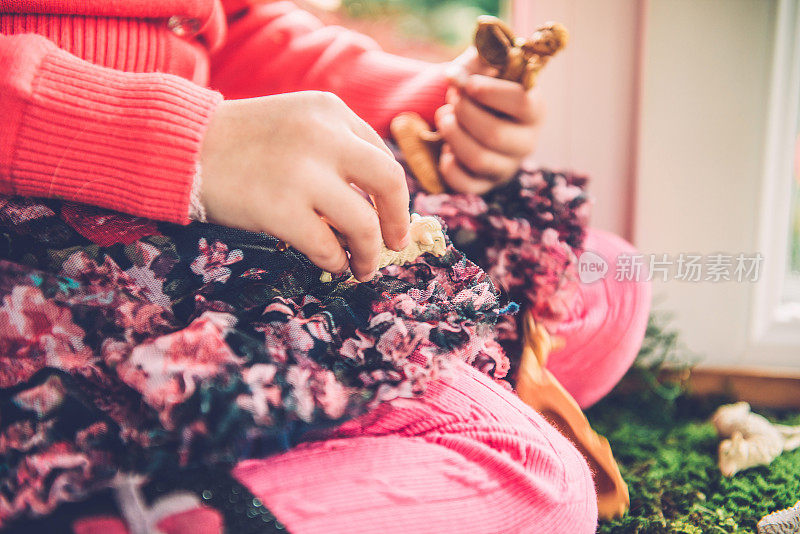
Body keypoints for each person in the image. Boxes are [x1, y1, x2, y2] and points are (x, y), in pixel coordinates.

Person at [0, 1, 648, 532]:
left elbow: (224, 22)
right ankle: (152, 503)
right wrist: (191, 144)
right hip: (50, 212)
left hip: (184, 173)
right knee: (534, 480)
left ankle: (255, 430)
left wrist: (429, 102)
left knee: (605, 283)